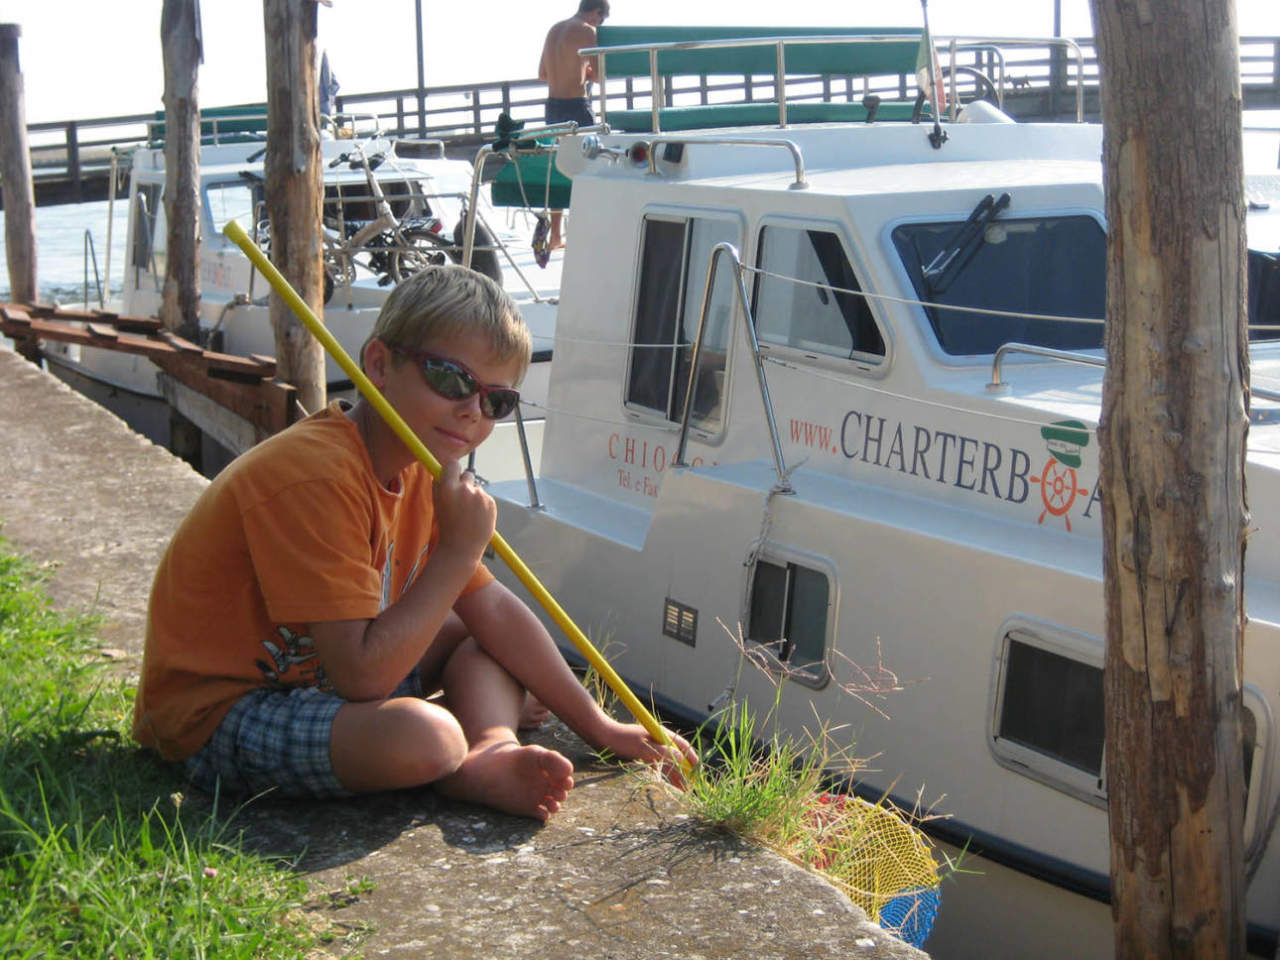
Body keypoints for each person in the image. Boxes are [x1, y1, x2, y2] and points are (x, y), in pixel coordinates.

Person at [133, 265, 694, 820]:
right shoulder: (318, 475)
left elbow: (491, 609)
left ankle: (490, 749)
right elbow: (362, 676)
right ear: (379, 365)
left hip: (317, 674)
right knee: (428, 736)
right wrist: (457, 552)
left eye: (497, 401)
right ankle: (458, 753)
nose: (473, 411)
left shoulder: (424, 468)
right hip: (219, 711)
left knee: (487, 643)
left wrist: (600, 727)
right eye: (451, 380)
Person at [537, 0, 610, 251]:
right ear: (597, 13)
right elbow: (600, 76)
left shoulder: (554, 29)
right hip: (575, 106)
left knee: (561, 166)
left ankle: (556, 235)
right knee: (591, 164)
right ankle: (591, 228)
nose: (599, 25)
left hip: (552, 105)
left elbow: (543, 74)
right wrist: (586, 72)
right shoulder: (588, 31)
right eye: (601, 20)